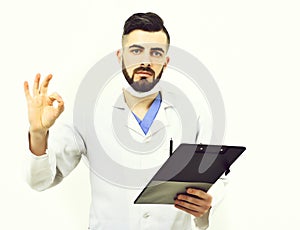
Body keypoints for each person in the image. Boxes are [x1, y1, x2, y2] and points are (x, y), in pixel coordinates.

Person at [24, 12, 226, 230]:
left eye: (156, 53)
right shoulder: (89, 113)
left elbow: (217, 179)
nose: (146, 61)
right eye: (136, 51)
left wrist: (208, 202)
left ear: (166, 62)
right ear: (120, 57)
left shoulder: (193, 113)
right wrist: (38, 132)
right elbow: (40, 180)